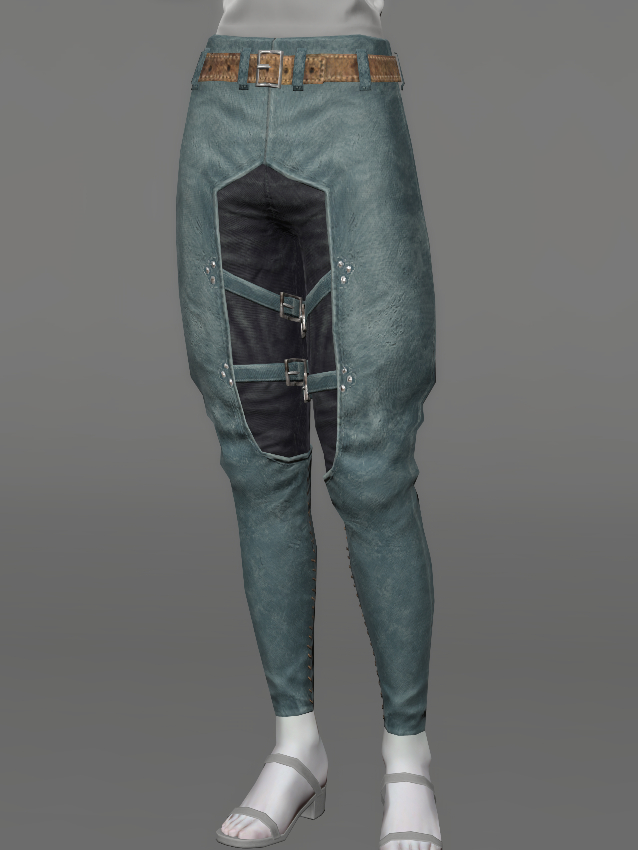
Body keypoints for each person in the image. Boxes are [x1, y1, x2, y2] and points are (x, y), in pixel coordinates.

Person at [175, 2, 442, 847]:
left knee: (373, 465)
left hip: (349, 102)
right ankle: (297, 746)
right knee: (256, 456)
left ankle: (408, 762)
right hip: (220, 101)